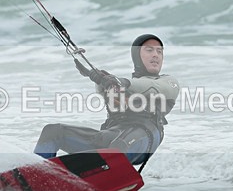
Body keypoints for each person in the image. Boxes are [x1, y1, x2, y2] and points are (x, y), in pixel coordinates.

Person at [33, 34, 179, 167]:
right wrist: (97, 77)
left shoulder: (168, 82)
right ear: (137, 56)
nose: (156, 55)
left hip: (144, 136)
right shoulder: (121, 85)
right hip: (111, 135)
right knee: (52, 131)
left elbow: (150, 86)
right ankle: (37, 175)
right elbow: (106, 90)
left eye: (159, 51)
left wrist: (120, 81)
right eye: (149, 50)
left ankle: (92, 177)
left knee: (117, 147)